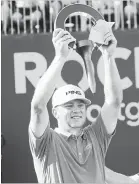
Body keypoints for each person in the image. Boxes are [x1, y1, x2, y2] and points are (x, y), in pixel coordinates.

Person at [28, 25, 123, 183]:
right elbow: (38, 107)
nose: (77, 110)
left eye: (80, 105)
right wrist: (60, 57)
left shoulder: (96, 136)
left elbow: (114, 102)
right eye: (69, 106)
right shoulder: (46, 141)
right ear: (55, 112)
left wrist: (108, 56)